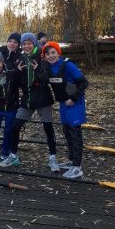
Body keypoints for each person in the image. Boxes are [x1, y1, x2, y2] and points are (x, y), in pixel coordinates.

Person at [0, 33, 59, 171]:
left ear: (34, 44)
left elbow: (46, 79)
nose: (26, 46)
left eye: (29, 43)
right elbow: (14, 83)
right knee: (15, 127)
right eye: (24, 44)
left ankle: (52, 158)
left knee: (48, 128)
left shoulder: (42, 57)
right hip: (28, 98)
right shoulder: (20, 60)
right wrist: (17, 72)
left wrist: (37, 69)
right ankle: (13, 156)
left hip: (43, 96)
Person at [41, 41, 88, 179]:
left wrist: (73, 99)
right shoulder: (48, 67)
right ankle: (72, 161)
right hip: (63, 104)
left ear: (58, 53)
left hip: (75, 103)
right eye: (47, 54)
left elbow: (84, 82)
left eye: (53, 52)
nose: (51, 56)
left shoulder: (68, 65)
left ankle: (77, 167)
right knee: (67, 132)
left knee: (75, 134)